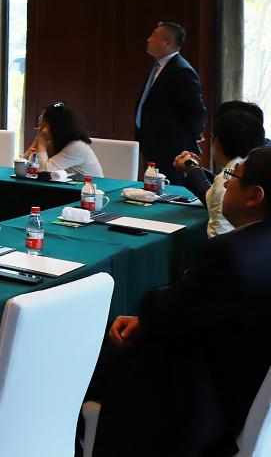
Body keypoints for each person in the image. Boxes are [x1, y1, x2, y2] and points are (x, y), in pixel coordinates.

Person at [88, 146, 271, 456]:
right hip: (240, 384)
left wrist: (147, 319)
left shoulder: (229, 253)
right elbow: (188, 307)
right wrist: (148, 321)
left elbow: (169, 310)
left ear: (255, 196)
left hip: (197, 399)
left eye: (233, 176)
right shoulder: (254, 245)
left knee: (86, 358)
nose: (226, 183)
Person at [173, 105, 265, 237]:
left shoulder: (232, 175)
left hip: (225, 245)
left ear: (218, 142)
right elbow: (221, 178)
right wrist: (196, 167)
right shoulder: (252, 166)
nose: (227, 184)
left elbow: (214, 196)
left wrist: (190, 165)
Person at [134, 21, 208, 185]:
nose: (148, 39)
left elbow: (197, 111)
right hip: (152, 143)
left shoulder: (181, 70)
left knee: (170, 189)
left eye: (154, 35)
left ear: (167, 43)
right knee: (153, 188)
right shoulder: (160, 67)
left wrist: (194, 135)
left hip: (171, 148)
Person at [23, 102, 104, 178]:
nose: (39, 124)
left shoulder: (77, 146)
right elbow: (24, 163)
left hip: (90, 187)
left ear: (56, 125)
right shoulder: (55, 142)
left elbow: (43, 170)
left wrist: (41, 139)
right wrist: (38, 138)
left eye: (43, 121)